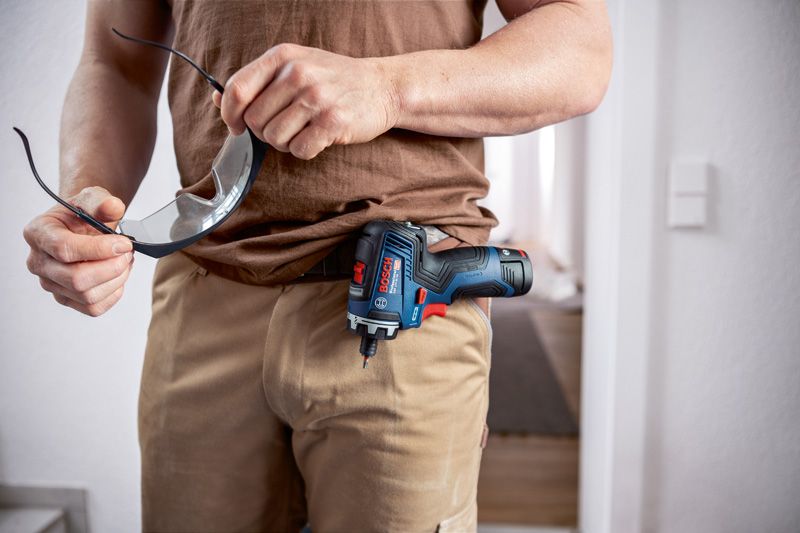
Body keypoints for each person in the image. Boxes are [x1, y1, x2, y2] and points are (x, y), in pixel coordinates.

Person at [22, 1, 612, 531]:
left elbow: (581, 47)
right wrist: (87, 198)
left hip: (400, 298)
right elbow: (114, 60)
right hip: (203, 291)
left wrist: (388, 87)